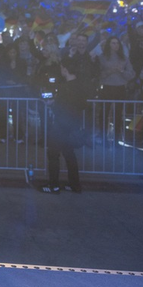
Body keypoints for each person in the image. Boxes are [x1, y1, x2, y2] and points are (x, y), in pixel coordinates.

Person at [39, 65, 85, 194]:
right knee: (69, 155)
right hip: (73, 124)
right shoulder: (80, 86)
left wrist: (51, 104)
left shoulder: (65, 88)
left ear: (65, 69)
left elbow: (60, 108)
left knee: (53, 154)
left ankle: (53, 185)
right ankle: (75, 185)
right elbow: (83, 105)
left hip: (61, 126)